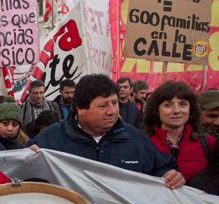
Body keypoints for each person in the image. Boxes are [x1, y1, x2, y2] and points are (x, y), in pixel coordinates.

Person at [29, 75, 185, 188]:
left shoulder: (136, 139)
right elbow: (19, 167)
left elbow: (162, 167)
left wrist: (171, 175)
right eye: (103, 106)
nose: (112, 111)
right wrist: (29, 156)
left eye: (114, 103)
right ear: (80, 109)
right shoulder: (50, 139)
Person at [142, 80, 215, 183]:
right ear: (156, 110)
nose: (176, 111)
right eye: (168, 105)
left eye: (183, 104)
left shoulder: (208, 143)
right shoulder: (142, 142)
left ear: (191, 109)